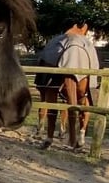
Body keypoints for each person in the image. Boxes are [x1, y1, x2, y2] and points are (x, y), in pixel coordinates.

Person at [34, 18, 100, 150]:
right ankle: (81, 134)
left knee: (50, 97)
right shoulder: (86, 43)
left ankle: (49, 137)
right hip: (83, 75)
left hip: (55, 70)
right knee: (86, 98)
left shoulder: (57, 40)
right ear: (82, 29)